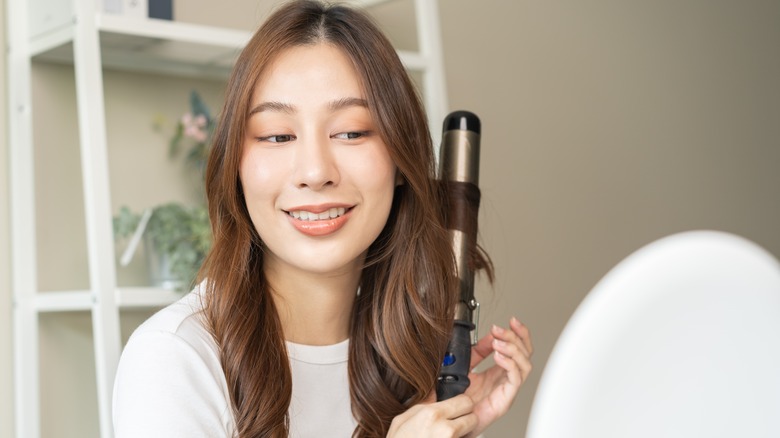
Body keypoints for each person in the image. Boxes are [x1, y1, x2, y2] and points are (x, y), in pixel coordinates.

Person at [112, 1, 533, 437]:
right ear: (235, 164)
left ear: (400, 158)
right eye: (277, 135)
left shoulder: (409, 361)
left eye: (351, 132)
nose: (315, 173)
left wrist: (455, 421)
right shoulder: (174, 358)